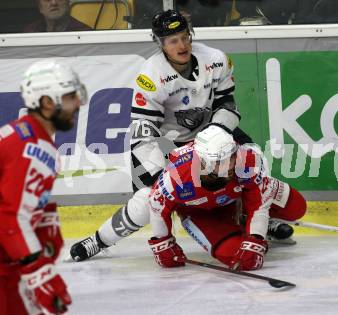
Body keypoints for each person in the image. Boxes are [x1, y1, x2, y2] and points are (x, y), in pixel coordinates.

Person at [70, 9, 294, 262]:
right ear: (161, 44)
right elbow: (143, 129)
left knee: (253, 162)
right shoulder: (151, 76)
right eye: (173, 40)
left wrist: (216, 134)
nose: (182, 44)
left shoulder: (216, 59)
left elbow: (228, 105)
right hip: (165, 142)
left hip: (210, 134)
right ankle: (98, 241)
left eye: (185, 37)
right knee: (147, 201)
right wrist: (159, 176)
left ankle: (261, 219)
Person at [148, 125, 307, 270]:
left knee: (296, 207)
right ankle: (240, 226)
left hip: (237, 200)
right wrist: (163, 243)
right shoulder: (176, 174)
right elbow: (156, 206)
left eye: (232, 155)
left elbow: (259, 204)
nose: (230, 164)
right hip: (200, 212)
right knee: (234, 254)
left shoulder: (247, 160)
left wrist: (255, 239)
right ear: (204, 161)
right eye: (220, 161)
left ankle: (249, 221)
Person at [0, 60, 87, 314]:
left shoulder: (24, 133)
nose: (78, 104)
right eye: (71, 97)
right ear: (48, 102)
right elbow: (10, 215)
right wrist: (38, 270)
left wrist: (45, 210)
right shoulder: (33, 149)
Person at [24, 0, 91, 32]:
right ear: (40, 7)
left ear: (69, 2)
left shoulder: (84, 32)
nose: (54, 3)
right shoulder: (31, 31)